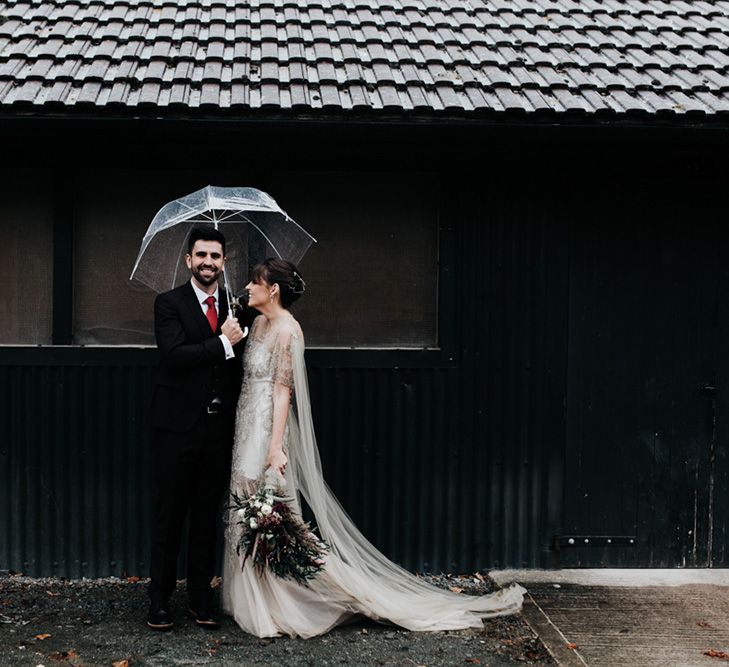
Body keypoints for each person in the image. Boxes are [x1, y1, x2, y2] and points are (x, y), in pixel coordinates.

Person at [222, 258, 524, 638]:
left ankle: (298, 598)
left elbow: (284, 393)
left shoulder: (287, 330)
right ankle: (253, 596)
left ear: (274, 290)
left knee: (268, 511)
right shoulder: (257, 324)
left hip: (267, 427)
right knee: (244, 504)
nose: (247, 287)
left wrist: (276, 447)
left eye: (255, 281)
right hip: (245, 422)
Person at [147, 225, 250, 631]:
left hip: (217, 430)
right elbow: (174, 355)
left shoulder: (233, 307)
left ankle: (200, 598)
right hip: (175, 429)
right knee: (169, 516)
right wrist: (223, 343)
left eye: (215, 256)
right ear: (189, 260)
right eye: (201, 255)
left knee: (207, 517)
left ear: (224, 263)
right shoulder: (168, 303)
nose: (208, 262)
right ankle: (159, 599)